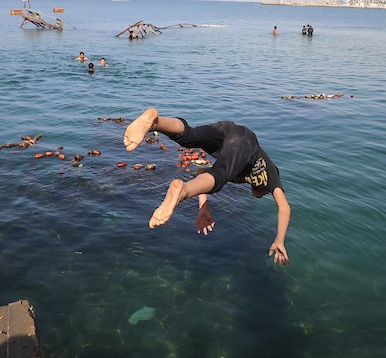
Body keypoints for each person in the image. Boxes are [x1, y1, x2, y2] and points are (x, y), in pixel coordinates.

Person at [123, 108, 290, 265]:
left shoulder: (240, 175)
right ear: (263, 191)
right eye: (262, 195)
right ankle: (183, 192)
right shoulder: (271, 175)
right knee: (220, 176)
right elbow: (284, 208)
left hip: (228, 129)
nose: (257, 196)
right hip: (246, 141)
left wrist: (203, 207)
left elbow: (202, 172)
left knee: (190, 137)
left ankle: (154, 122)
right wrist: (279, 241)